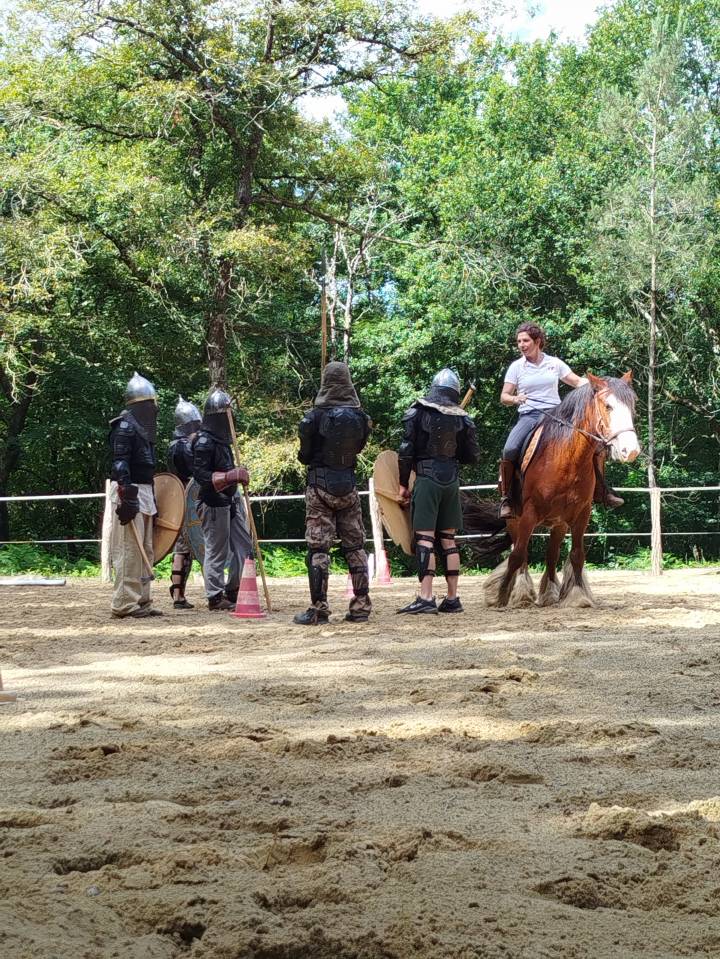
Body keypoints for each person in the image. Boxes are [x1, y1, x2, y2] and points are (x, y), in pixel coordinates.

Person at [498, 322, 624, 519]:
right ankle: (507, 498)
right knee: (510, 449)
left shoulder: (554, 363)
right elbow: (504, 396)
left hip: (557, 416)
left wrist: (599, 387)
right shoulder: (516, 367)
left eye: (525, 341)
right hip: (530, 415)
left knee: (596, 445)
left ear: (537, 341)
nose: (521, 345)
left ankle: (602, 491)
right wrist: (515, 399)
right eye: (519, 342)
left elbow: (577, 381)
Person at [293, 361, 372, 626]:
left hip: (319, 486)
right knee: (355, 546)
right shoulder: (361, 418)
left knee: (318, 548)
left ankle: (319, 609)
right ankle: (361, 606)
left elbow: (305, 456)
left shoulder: (313, 418)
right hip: (348, 485)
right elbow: (358, 448)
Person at [397, 368, 479, 615]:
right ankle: (452, 599)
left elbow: (405, 452)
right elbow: (471, 456)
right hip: (451, 481)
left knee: (425, 539)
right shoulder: (462, 419)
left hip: (427, 479)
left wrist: (403, 484)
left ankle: (426, 597)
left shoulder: (418, 412)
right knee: (448, 540)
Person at [192, 389, 253, 611]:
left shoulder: (223, 441)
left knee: (244, 545)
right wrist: (230, 476)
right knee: (216, 550)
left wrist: (238, 476)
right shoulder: (204, 441)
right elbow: (201, 476)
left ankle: (234, 588)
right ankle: (215, 596)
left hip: (230, 499)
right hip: (213, 502)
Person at [108, 372, 162, 619]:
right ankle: (124, 603)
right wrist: (126, 492)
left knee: (146, 550)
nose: (153, 408)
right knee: (129, 550)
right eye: (150, 403)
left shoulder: (144, 431)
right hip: (129, 490)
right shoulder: (125, 427)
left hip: (145, 490)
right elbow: (120, 462)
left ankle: (142, 600)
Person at [166, 396, 202, 610]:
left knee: (182, 548)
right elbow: (195, 474)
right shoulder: (185, 446)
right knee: (188, 547)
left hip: (178, 499)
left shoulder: (172, 445)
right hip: (190, 500)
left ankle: (178, 593)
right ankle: (179, 595)